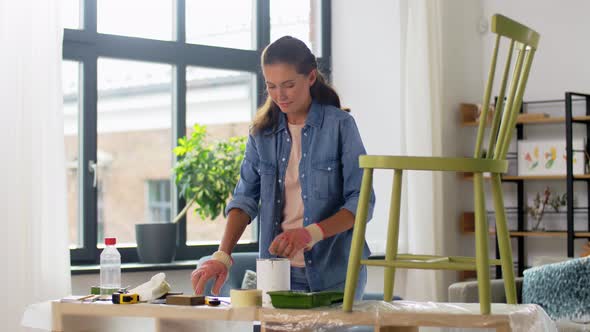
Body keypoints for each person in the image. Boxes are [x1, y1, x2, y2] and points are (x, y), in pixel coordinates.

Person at [191, 36, 375, 300]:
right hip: (277, 272)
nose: (280, 95)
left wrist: (309, 234)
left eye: (288, 85)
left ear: (311, 77)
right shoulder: (261, 134)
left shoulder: (340, 126)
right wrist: (222, 255)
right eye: (272, 86)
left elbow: (362, 200)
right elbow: (245, 199)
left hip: (335, 273)